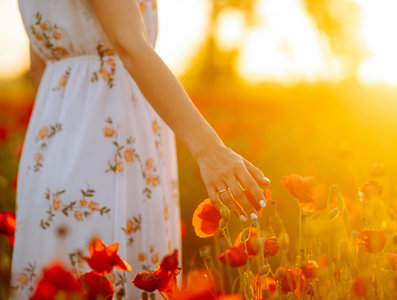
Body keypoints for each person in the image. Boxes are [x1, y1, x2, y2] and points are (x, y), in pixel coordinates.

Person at [10, 0, 270, 299]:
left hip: (55, 129)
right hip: (113, 132)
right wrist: (209, 149)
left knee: (64, 268)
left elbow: (39, 65)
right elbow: (129, 43)